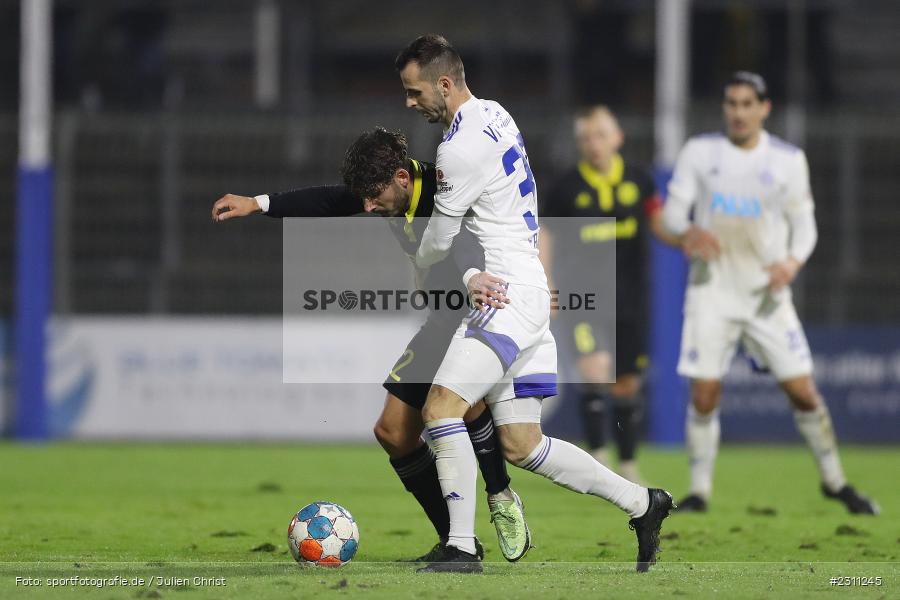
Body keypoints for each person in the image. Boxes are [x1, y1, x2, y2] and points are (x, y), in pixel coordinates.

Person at [396, 34, 673, 574]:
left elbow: (438, 241)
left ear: (444, 84)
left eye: (414, 91)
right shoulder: (497, 113)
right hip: (527, 289)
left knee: (440, 409)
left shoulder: (457, 147)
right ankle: (644, 503)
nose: (410, 102)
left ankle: (460, 546)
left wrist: (413, 245)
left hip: (503, 296)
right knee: (522, 444)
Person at [211, 127, 534, 562]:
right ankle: (458, 541)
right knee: (394, 434)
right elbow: (330, 201)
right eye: (363, 197)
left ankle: (500, 496)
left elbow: (468, 245)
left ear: (402, 177)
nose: (367, 206)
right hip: (442, 315)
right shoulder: (386, 190)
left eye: (373, 196)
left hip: (478, 309)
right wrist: (258, 204)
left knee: (460, 404)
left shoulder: (444, 191)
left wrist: (471, 277)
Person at [656, 71, 879, 515]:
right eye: (731, 103)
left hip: (765, 296)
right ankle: (699, 491)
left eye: (746, 104)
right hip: (712, 292)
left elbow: (805, 225)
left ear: (764, 108)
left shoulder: (788, 160)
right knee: (704, 395)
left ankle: (835, 482)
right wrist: (687, 234)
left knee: (803, 393)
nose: (738, 112)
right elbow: (672, 216)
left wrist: (792, 263)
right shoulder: (700, 153)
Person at [539, 105, 671, 484]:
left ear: (617, 138)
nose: (593, 144)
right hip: (582, 297)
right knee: (595, 373)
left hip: (630, 298)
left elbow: (659, 224)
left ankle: (627, 463)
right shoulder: (566, 189)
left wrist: (686, 239)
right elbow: (545, 234)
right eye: (585, 138)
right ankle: (597, 461)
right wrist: (546, 282)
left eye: (600, 135)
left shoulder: (640, 181)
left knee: (626, 383)